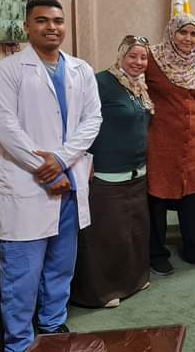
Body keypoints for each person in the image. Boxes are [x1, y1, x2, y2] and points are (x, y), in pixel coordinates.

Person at [0, 0, 102, 351]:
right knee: (22, 276)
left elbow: (93, 119)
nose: (52, 27)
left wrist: (62, 160)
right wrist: (47, 170)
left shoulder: (81, 69)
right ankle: (19, 343)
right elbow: (5, 128)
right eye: (42, 20)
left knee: (60, 267)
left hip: (69, 184)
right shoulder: (6, 70)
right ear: (27, 26)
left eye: (58, 21)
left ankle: (53, 326)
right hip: (28, 187)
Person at [71, 35, 154, 308]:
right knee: (107, 236)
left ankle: (134, 281)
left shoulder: (139, 86)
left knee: (134, 232)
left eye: (143, 57)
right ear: (121, 55)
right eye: (132, 56)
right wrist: (84, 157)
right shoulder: (101, 82)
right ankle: (103, 291)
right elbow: (80, 122)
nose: (138, 62)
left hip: (137, 173)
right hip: (106, 175)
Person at [146, 14, 195, 274]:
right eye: (182, 32)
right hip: (161, 141)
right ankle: (156, 254)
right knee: (157, 199)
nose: (188, 38)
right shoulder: (152, 59)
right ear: (171, 33)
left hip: (194, 141)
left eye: (193, 34)